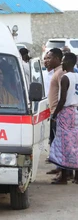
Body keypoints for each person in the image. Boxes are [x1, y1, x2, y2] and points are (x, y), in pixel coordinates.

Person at [49, 53, 78, 184]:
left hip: (65, 112)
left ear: (69, 62)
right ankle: (76, 176)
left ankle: (64, 177)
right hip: (75, 112)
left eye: (64, 61)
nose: (63, 64)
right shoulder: (77, 76)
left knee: (63, 145)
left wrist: (54, 115)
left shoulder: (65, 77)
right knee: (74, 143)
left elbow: (62, 100)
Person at [46, 48, 65, 177]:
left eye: (49, 58)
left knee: (59, 142)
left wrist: (57, 112)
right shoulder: (54, 72)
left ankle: (63, 170)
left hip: (58, 111)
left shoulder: (60, 73)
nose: (47, 61)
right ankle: (59, 167)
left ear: (57, 59)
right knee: (54, 140)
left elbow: (63, 94)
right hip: (52, 110)